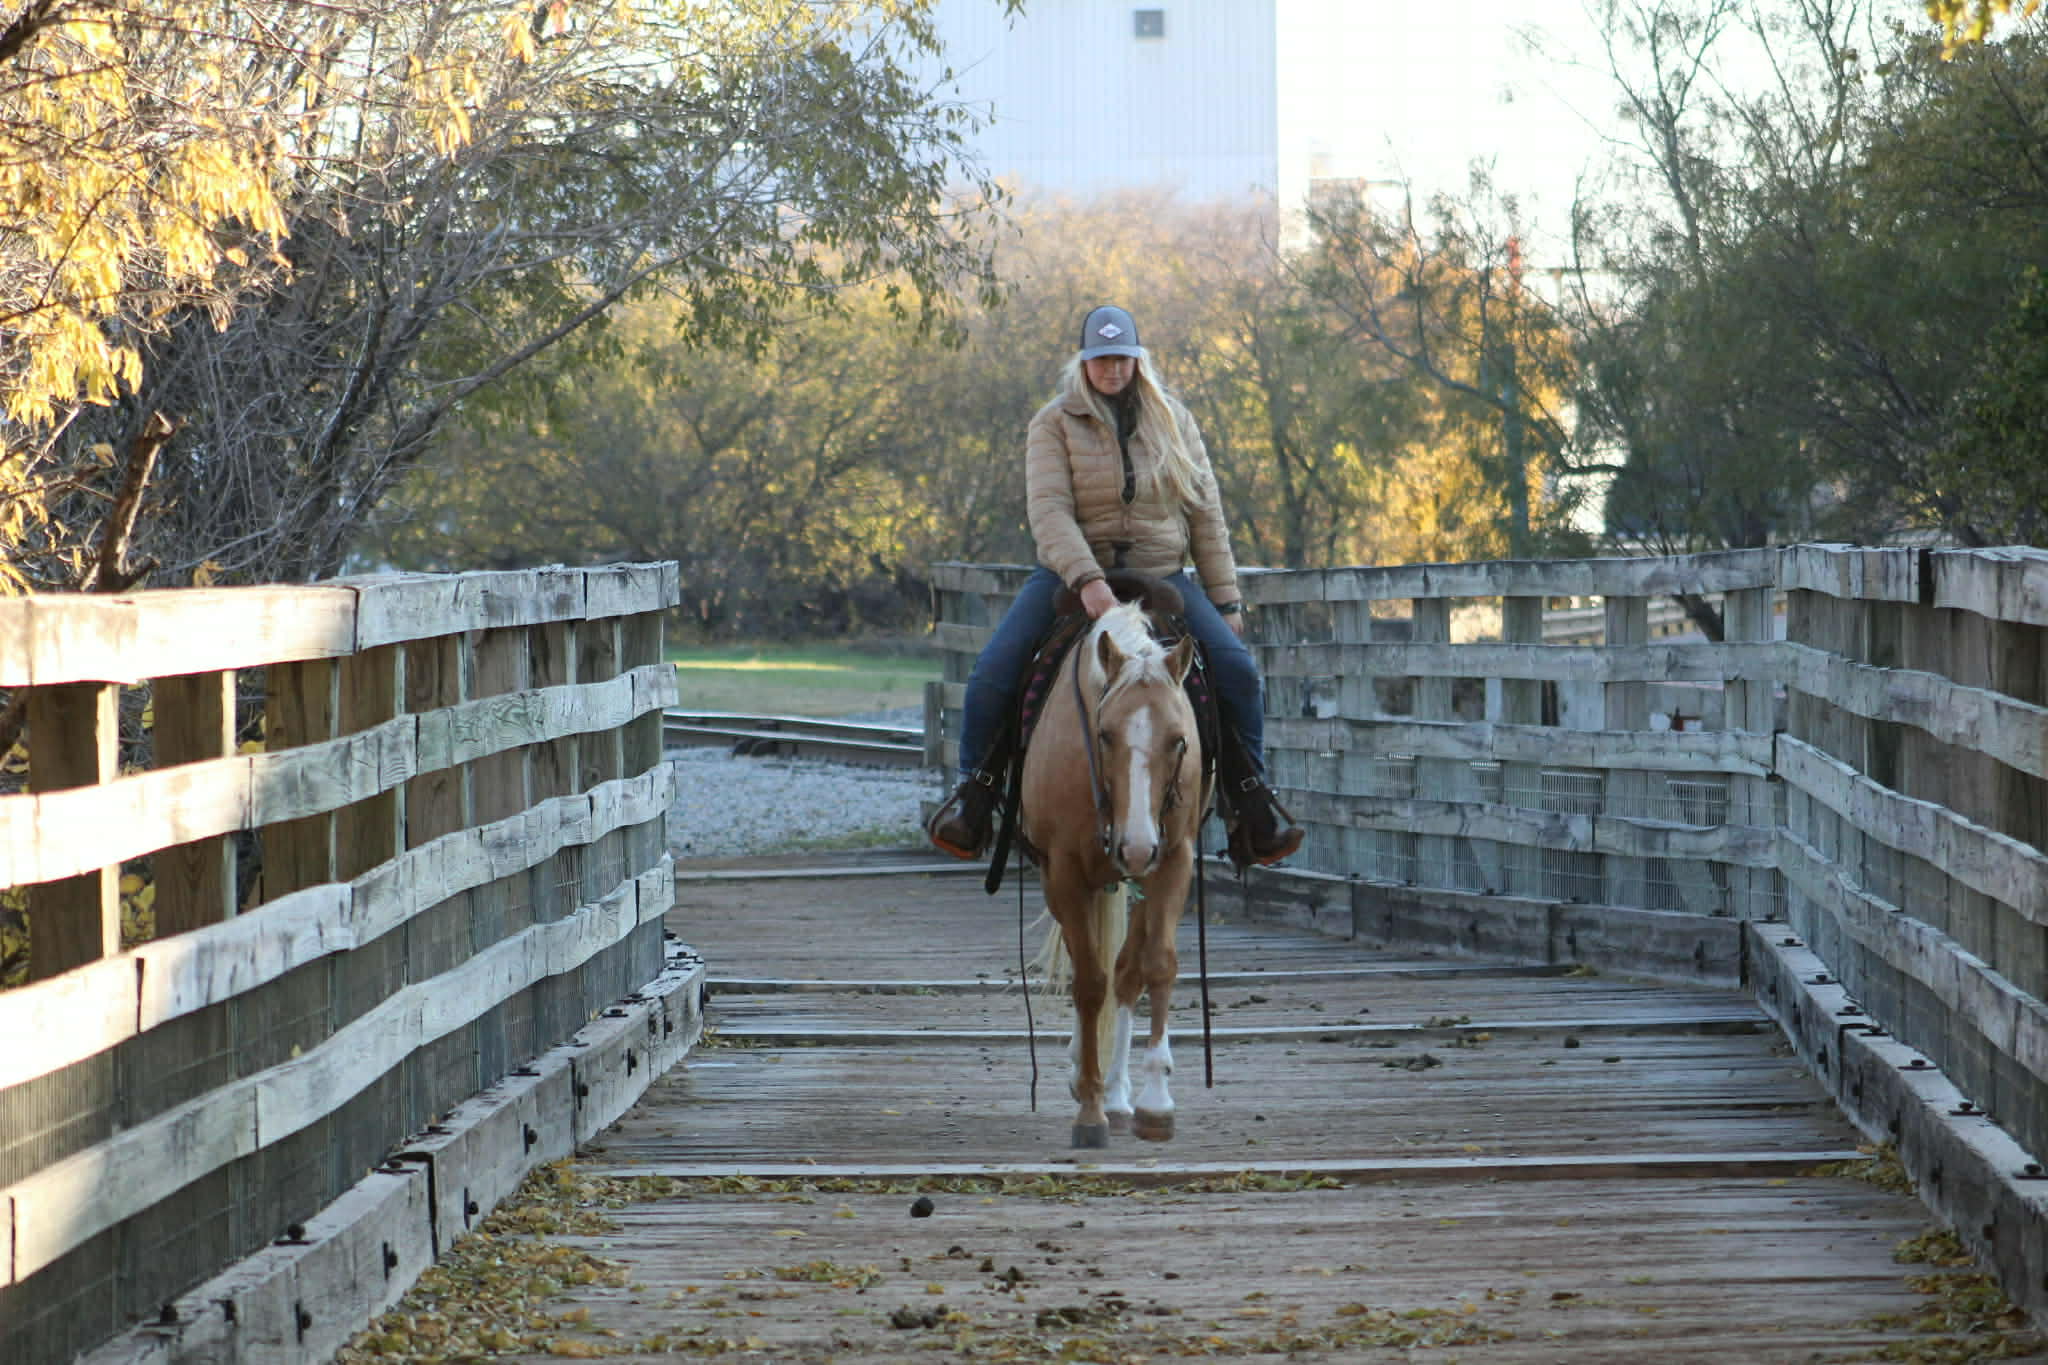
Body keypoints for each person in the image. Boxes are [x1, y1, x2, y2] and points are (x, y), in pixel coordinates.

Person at [926, 303, 1304, 868]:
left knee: (1237, 674)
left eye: (1122, 358)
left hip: (1162, 574)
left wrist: (1225, 600)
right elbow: (1050, 512)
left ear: (1137, 360)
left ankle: (1251, 801)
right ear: (1084, 362)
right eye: (1102, 359)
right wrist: (1088, 581)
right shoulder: (1052, 423)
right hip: (1070, 575)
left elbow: (1206, 516)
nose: (1112, 369)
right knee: (994, 672)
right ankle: (973, 797)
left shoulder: (1174, 420)